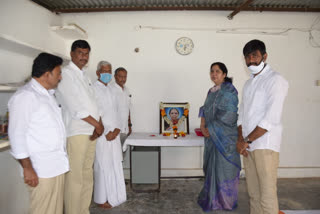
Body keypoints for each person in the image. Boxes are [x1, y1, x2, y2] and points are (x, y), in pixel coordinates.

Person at [8, 53, 68, 214]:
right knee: (43, 210)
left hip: (55, 166)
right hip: (41, 168)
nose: (60, 77)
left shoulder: (47, 95)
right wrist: (28, 168)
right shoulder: (26, 96)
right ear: (47, 75)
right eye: (58, 73)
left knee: (55, 210)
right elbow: (16, 135)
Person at [236, 39, 288, 214]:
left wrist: (246, 140)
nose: (250, 61)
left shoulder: (276, 80)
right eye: (247, 57)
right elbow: (241, 115)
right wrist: (240, 140)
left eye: (254, 56)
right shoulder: (249, 83)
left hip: (265, 145)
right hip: (248, 147)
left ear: (264, 56)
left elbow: (270, 119)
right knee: (253, 194)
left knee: (267, 195)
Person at [55, 40, 104, 214]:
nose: (84, 57)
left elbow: (94, 103)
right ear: (72, 54)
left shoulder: (85, 75)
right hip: (76, 132)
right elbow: (75, 107)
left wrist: (100, 124)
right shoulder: (66, 74)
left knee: (87, 175)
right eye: (80, 53)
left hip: (91, 131)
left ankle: (83, 210)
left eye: (86, 53)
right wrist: (97, 124)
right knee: (75, 178)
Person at [198, 62, 241, 211]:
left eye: (217, 71)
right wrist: (203, 126)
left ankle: (226, 201)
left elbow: (229, 115)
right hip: (211, 137)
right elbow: (204, 109)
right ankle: (213, 199)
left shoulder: (229, 90)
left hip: (225, 138)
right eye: (212, 71)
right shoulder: (211, 91)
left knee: (224, 169)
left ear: (224, 74)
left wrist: (211, 127)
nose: (214, 74)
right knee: (212, 168)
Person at [93, 61, 127, 209]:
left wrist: (117, 129)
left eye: (109, 71)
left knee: (115, 164)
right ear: (98, 73)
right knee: (102, 165)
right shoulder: (93, 89)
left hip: (115, 133)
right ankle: (101, 199)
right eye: (104, 71)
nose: (107, 74)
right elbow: (95, 113)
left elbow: (118, 112)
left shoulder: (111, 90)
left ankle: (115, 194)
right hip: (103, 135)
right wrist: (106, 132)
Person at [109, 67, 132, 153]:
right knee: (114, 155)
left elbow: (128, 108)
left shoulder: (126, 90)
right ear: (115, 76)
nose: (123, 79)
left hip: (125, 129)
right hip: (114, 130)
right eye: (120, 76)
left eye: (125, 76)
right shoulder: (110, 89)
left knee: (122, 153)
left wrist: (130, 125)